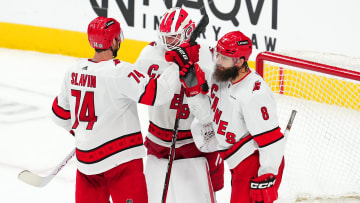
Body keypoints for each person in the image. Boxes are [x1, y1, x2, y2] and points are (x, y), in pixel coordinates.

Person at [51, 16, 182, 203]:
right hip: (122, 163)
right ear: (113, 41)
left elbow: (59, 115)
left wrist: (82, 132)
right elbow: (158, 94)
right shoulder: (120, 72)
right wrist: (177, 66)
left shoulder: (73, 71)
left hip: (87, 165)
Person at [180, 31, 285, 203]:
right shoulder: (222, 77)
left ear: (240, 61)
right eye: (218, 55)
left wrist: (267, 176)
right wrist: (193, 93)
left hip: (253, 163)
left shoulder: (254, 94)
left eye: (224, 58)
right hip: (236, 161)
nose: (218, 62)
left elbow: (271, 140)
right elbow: (207, 117)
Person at [134, 7, 224, 203]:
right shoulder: (150, 54)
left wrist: (193, 90)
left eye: (173, 38)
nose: (167, 43)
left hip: (194, 144)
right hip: (157, 142)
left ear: (187, 33)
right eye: (164, 38)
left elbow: (210, 115)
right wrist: (177, 67)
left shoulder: (207, 59)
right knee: (153, 196)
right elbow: (139, 94)